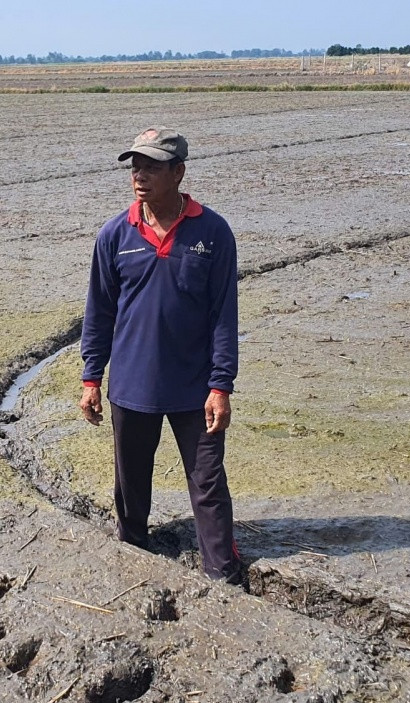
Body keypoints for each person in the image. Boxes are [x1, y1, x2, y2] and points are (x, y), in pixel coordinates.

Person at [79, 127, 242, 583]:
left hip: (196, 388)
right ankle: (133, 558)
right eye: (135, 166)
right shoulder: (115, 234)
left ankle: (223, 574)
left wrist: (221, 385)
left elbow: (223, 315)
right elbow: (99, 312)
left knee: (208, 484)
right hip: (132, 388)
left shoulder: (212, 233)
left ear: (179, 172)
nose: (140, 176)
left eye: (151, 166)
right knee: (131, 486)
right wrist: (92, 378)